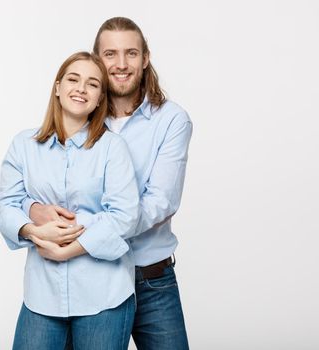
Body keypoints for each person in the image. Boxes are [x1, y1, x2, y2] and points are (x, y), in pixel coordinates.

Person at [24, 18, 193, 349]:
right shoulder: (76, 117)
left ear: (145, 58)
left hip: (149, 278)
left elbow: (160, 201)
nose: (121, 64)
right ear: (97, 60)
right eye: (110, 54)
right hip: (87, 274)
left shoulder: (172, 120)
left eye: (131, 53)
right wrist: (35, 210)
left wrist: (85, 230)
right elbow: (44, 184)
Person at [0, 51, 139, 350]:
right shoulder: (24, 145)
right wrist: (34, 230)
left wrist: (66, 247)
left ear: (100, 98)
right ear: (58, 87)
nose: (81, 88)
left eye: (92, 84)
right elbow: (7, 205)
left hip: (104, 296)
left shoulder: (113, 148)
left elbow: (125, 215)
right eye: (73, 79)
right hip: (42, 294)